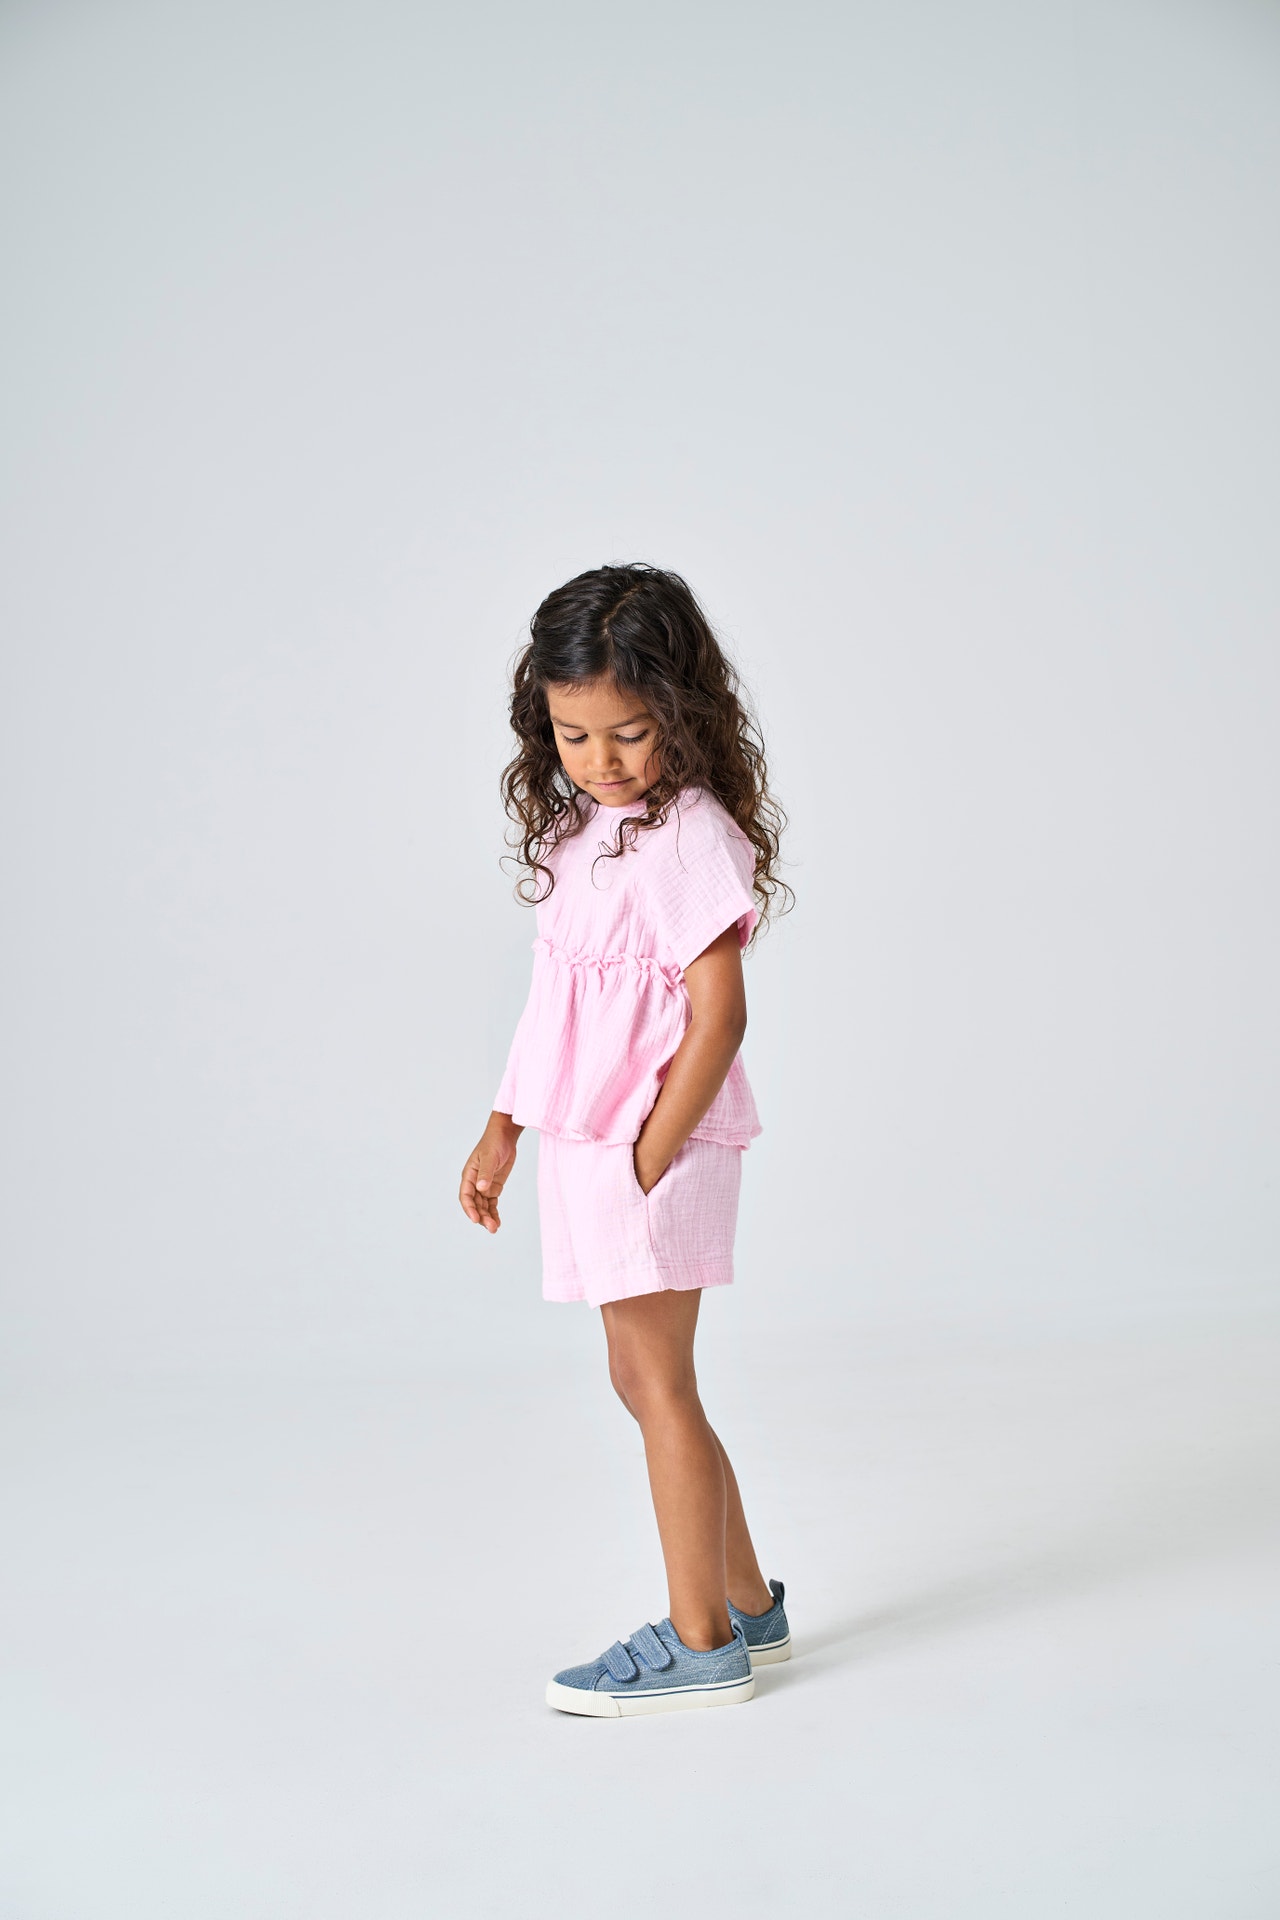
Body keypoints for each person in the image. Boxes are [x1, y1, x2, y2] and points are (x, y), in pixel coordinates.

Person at [459, 563, 793, 1718]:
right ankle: (746, 1607)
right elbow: (556, 1000)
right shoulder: (577, 828)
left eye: (629, 733)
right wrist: (502, 1126)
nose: (600, 759)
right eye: (573, 735)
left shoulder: (686, 833)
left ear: (679, 713)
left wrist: (647, 1156)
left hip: (650, 1141)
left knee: (656, 1383)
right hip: (586, 1140)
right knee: (645, 1381)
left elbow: (720, 1015)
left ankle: (701, 1642)